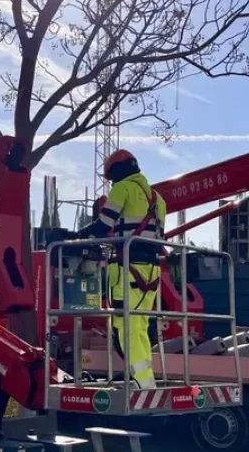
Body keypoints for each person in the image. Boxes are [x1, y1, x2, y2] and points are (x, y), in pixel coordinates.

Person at [77, 149, 166, 389]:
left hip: (128, 269)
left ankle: (141, 383)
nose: (112, 182)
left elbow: (103, 224)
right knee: (140, 326)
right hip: (152, 271)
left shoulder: (122, 189)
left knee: (125, 328)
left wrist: (76, 237)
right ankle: (145, 380)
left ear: (116, 171)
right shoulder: (158, 199)